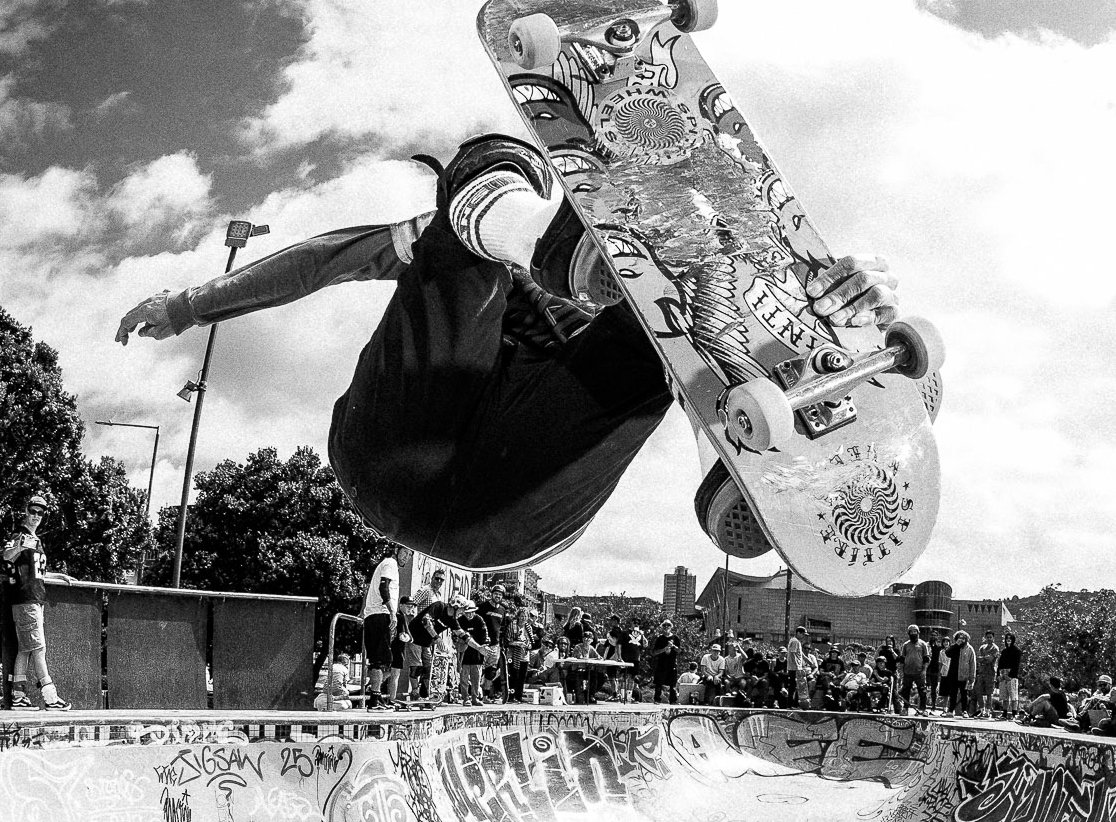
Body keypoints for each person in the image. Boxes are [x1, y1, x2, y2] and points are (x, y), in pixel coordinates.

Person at [116, 132, 900, 572]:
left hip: (495, 487)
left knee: (681, 325)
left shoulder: (676, 294)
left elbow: (717, 369)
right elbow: (325, 260)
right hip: (443, 472)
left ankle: (754, 450)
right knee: (487, 177)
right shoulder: (474, 235)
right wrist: (189, 303)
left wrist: (839, 294)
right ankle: (552, 246)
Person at [2, 494, 70, 711]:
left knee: (26, 649)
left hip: (35, 598)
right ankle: (50, 697)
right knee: (39, 648)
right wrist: (20, 547)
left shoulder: (37, 540)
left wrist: (59, 576)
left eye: (40, 513)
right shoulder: (19, 535)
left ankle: (18, 696)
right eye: (32, 511)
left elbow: (37, 572)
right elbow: (6, 555)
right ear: (26, 511)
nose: (36, 516)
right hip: (26, 599)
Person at [361, 548, 401, 707]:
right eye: (404, 553)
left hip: (372, 615)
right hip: (381, 614)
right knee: (383, 661)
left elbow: (371, 589)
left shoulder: (383, 564)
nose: (406, 557)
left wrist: (362, 612)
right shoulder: (390, 563)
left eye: (409, 555)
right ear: (396, 550)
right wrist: (392, 613)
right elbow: (384, 588)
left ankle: (375, 695)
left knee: (380, 660)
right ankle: (374, 698)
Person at [995, 633, 1022, 718]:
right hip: (1003, 675)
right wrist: (998, 674)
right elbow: (1000, 664)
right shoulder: (1004, 651)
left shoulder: (1017, 651)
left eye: (1010, 638)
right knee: (1004, 696)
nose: (1008, 640)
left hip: (1012, 677)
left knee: (1013, 696)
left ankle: (1014, 714)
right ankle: (1004, 713)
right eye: (1007, 638)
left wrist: (1010, 675)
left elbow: (1016, 665)